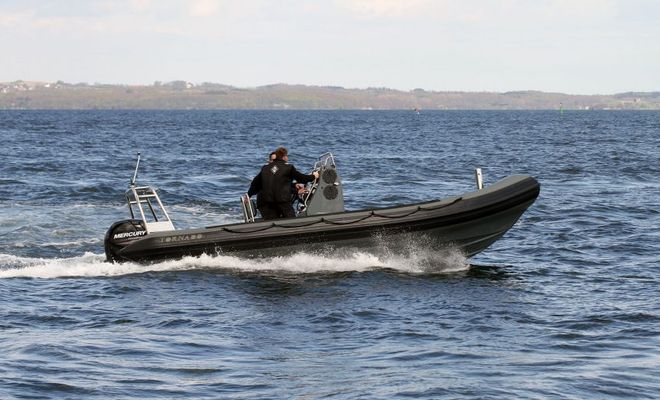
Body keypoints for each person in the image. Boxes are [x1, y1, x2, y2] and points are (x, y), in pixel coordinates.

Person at [247, 147, 319, 219]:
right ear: (284, 157)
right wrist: (314, 176)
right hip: (283, 202)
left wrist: (248, 195)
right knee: (291, 220)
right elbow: (302, 178)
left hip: (269, 203)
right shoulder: (288, 167)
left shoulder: (265, 168)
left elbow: (255, 184)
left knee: (273, 221)